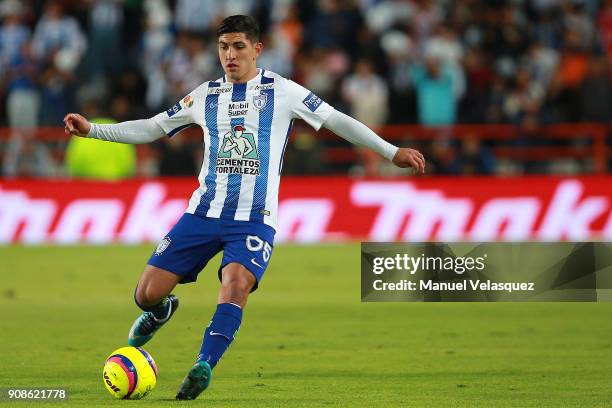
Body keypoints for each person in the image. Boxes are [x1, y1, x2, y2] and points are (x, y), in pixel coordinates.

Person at [63, 15, 425, 400]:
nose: (230, 55)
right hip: (203, 214)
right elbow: (153, 127)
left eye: (238, 46)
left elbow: (338, 120)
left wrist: (391, 151)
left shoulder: (283, 92)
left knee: (235, 286)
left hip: (253, 220)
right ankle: (160, 310)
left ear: (256, 49)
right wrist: (93, 130)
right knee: (146, 293)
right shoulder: (204, 96)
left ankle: (204, 364)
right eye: (223, 47)